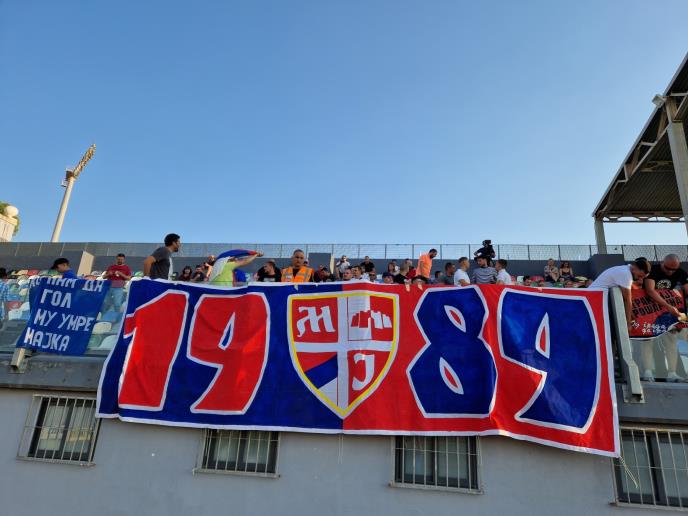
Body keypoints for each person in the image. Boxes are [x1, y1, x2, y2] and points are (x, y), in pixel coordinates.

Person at [640, 254, 688, 382]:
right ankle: (647, 371)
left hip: (668, 310)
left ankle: (672, 373)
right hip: (649, 309)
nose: (670, 272)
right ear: (662, 263)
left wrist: (681, 316)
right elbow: (650, 290)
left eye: (673, 270)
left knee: (672, 339)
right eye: (668, 269)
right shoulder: (653, 270)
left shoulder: (680, 272)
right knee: (648, 339)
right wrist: (668, 306)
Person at [590, 257, 652, 332]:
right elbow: (627, 300)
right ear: (634, 268)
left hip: (594, 299)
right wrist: (628, 324)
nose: (640, 279)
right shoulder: (626, 274)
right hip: (593, 300)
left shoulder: (625, 269)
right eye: (639, 276)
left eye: (643, 277)